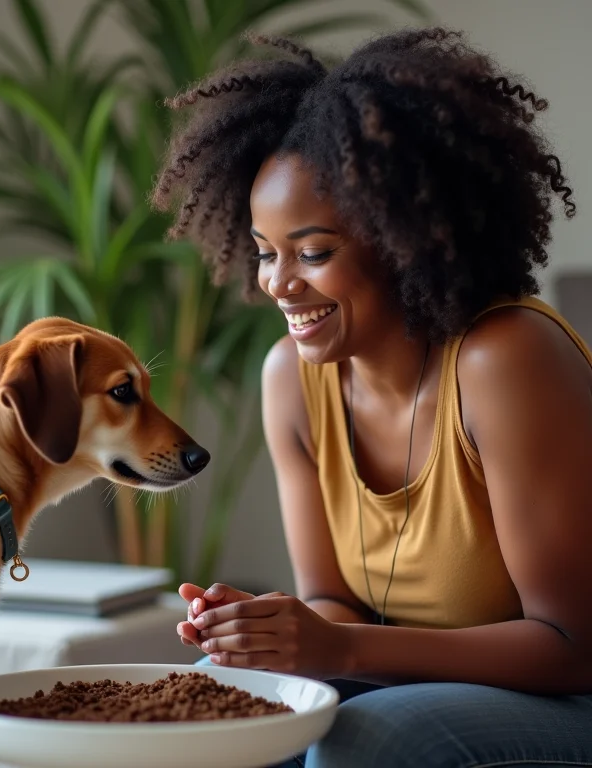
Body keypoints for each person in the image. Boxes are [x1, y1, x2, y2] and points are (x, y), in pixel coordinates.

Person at [150, 26, 592, 768]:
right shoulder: (290, 378)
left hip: (567, 699)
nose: (279, 283)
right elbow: (333, 604)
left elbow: (574, 648)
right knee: (204, 705)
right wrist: (268, 631)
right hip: (397, 679)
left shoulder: (504, 359)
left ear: (404, 238)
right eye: (266, 253)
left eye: (314, 253)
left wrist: (342, 646)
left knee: (372, 740)